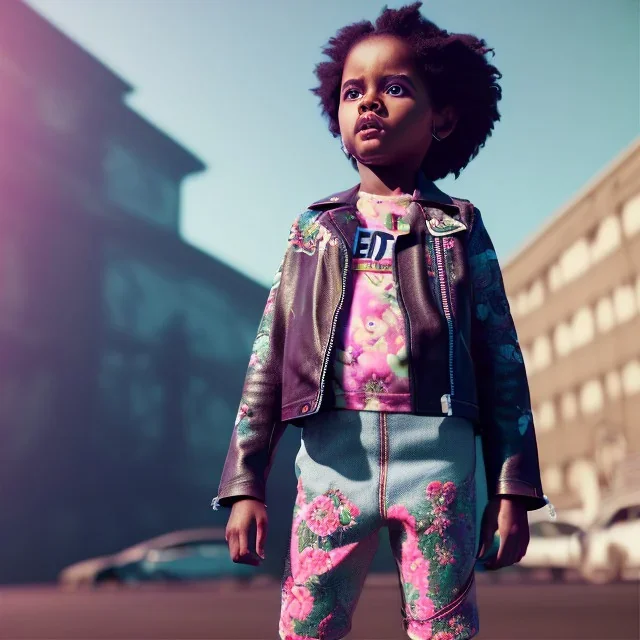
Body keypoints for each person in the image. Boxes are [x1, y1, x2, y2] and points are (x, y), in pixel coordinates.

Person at [211, 3, 553, 639]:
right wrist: (244, 480)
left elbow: (502, 357)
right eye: (352, 92)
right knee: (307, 627)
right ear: (336, 116)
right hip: (332, 459)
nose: (369, 102)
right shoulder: (314, 230)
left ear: (443, 115)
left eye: (394, 88)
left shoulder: (459, 227)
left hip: (440, 461)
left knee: (445, 630)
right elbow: (270, 352)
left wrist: (514, 488)